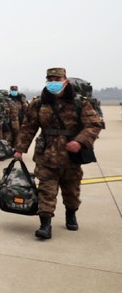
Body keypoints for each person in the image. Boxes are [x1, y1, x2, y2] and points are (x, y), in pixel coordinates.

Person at [14, 67, 103, 240]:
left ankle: (71, 213)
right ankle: (45, 224)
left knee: (72, 192)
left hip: (71, 156)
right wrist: (19, 149)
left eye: (57, 79)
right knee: (46, 190)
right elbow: (28, 127)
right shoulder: (39, 103)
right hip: (46, 154)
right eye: (50, 80)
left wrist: (80, 141)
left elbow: (94, 124)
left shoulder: (80, 102)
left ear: (65, 81)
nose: (53, 83)